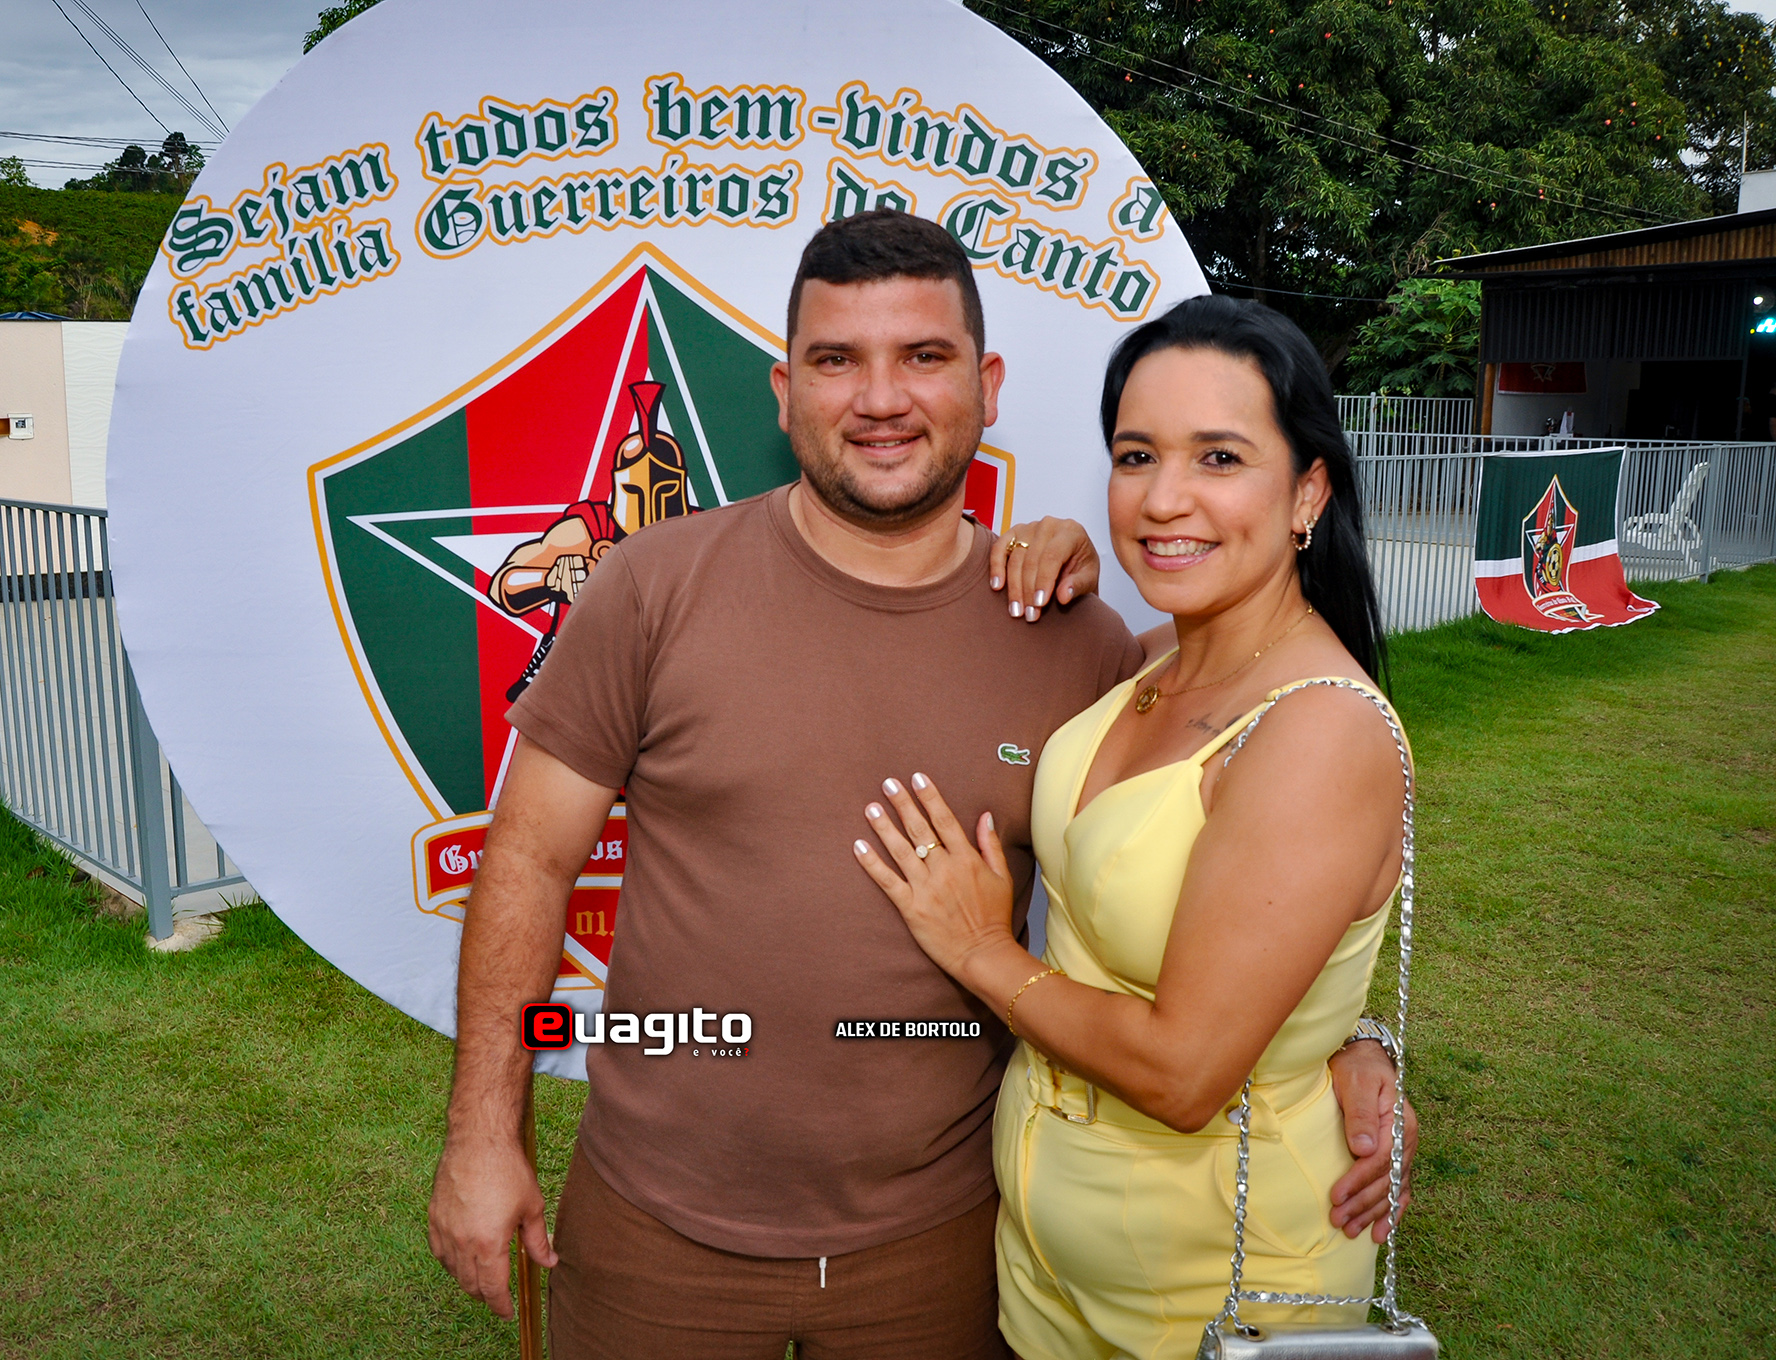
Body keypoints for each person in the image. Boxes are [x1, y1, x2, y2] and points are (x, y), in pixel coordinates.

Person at [425, 213, 1411, 1359]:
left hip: (948, 1239)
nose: (880, 398)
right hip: (656, 1225)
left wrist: (1340, 1039)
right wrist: (481, 1133)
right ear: (783, 390)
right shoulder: (651, 586)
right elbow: (528, 858)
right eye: (836, 359)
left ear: (985, 387)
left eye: (923, 356)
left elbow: (1270, 850)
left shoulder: (1078, 645)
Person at [853, 293, 1417, 1360]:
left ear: (1307, 491)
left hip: (1219, 1296)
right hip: (1045, 1270)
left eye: (1218, 458)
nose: (1162, 499)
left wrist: (979, 950)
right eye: (1135, 455)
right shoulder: (1156, 656)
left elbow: (1183, 1073)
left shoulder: (1318, 730)